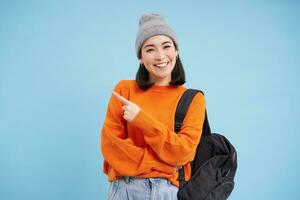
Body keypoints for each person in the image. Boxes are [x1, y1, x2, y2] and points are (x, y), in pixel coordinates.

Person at [101, 13, 206, 200]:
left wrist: (142, 120)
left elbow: (183, 153)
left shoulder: (192, 99)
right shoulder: (124, 90)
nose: (160, 56)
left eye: (167, 46)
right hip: (125, 190)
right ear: (140, 57)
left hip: (168, 192)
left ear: (176, 51)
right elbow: (112, 148)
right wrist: (166, 166)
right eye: (150, 49)